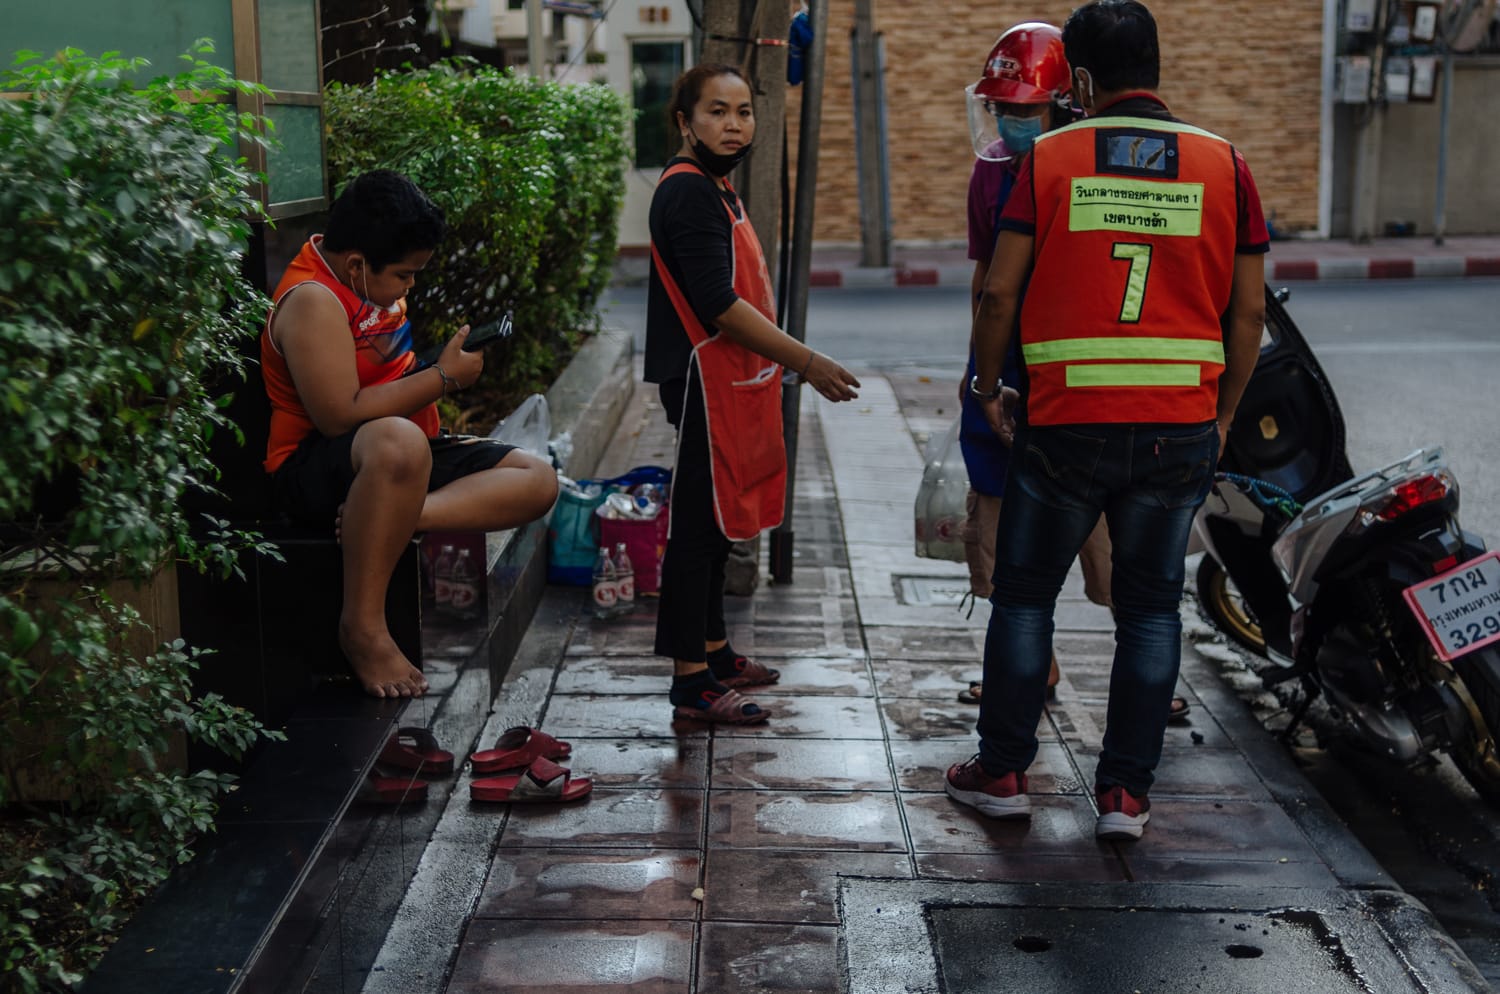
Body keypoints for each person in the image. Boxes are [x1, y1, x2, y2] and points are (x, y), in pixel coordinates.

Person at [945, 0, 1267, 840]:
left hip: (1065, 423)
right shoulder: (1224, 164)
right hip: (1178, 425)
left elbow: (1001, 293)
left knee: (1024, 601)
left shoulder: (1050, 158)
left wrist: (986, 385)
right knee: (1152, 612)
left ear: (1079, 80)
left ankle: (1005, 774)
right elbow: (1247, 316)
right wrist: (1223, 413)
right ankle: (1125, 794)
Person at [261, 170, 559, 699]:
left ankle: (394, 515)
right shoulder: (313, 299)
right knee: (397, 440)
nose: (410, 286)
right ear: (357, 264)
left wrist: (433, 371)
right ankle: (362, 629)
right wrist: (441, 379)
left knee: (538, 479)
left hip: (393, 456)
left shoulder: (365, 281)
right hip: (312, 465)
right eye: (404, 275)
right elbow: (338, 415)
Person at [645, 64, 861, 724]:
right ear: (685, 121)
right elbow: (717, 304)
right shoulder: (687, 194)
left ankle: (713, 650)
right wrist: (808, 361)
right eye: (716, 111)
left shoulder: (717, 189)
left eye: (743, 111)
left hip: (731, 384)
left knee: (718, 528)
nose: (734, 124)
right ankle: (690, 683)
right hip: (703, 383)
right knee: (697, 530)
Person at [955, 21, 1114, 706]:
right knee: (992, 522)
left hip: (1076, 375)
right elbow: (986, 279)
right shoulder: (988, 174)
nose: (1014, 122)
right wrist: (982, 374)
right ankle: (1028, 664)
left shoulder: (1094, 169)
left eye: (1028, 109)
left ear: (1065, 107)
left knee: (1102, 525)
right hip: (1003, 371)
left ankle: (1145, 667)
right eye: (1005, 109)